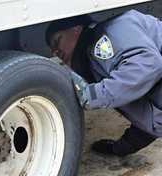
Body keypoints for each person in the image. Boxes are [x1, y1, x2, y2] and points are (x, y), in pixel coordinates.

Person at [45, 10, 162, 157]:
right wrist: (123, 147)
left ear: (76, 29)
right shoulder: (97, 61)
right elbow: (150, 112)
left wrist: (92, 95)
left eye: (57, 41)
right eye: (52, 49)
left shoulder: (113, 31)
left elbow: (148, 64)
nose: (55, 51)